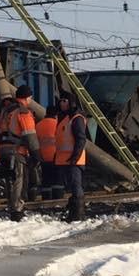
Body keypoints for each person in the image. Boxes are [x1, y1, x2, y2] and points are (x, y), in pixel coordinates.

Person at [0, 84, 41, 221]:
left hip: (3, 150)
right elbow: (30, 135)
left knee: (10, 180)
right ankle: (17, 211)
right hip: (17, 151)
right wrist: (36, 154)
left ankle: (12, 206)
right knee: (19, 180)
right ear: (27, 98)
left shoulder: (5, 111)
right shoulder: (23, 112)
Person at [55, 92, 90, 221]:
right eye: (61, 100)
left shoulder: (77, 119)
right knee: (72, 187)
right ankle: (74, 213)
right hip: (65, 160)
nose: (62, 103)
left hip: (74, 161)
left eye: (65, 101)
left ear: (71, 102)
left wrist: (75, 157)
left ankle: (78, 215)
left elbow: (81, 139)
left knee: (76, 187)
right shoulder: (65, 118)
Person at [35, 102, 61, 199]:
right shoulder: (58, 125)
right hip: (56, 157)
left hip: (43, 157)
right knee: (57, 181)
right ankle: (57, 200)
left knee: (46, 180)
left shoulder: (38, 125)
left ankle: (46, 198)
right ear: (56, 115)